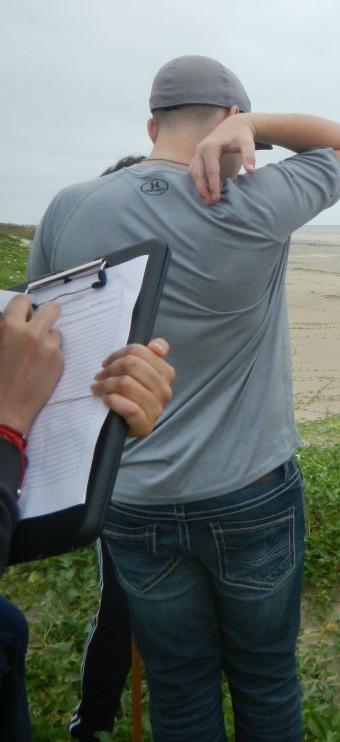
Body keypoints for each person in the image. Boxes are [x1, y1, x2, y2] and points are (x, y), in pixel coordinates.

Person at [28, 55, 340, 740]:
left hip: (132, 497)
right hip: (250, 489)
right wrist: (258, 126)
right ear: (230, 124)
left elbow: (37, 340)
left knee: (179, 684)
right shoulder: (255, 201)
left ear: (152, 125)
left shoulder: (70, 208)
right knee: (266, 675)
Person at [1, 294, 175, 742]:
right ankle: (93, 721)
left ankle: (94, 721)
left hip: (147, 479)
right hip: (134, 488)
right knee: (119, 617)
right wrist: (8, 425)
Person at [67, 155, 145, 742]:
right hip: (119, 479)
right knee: (118, 614)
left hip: (165, 476)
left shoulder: (156, 280)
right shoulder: (101, 291)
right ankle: (91, 722)